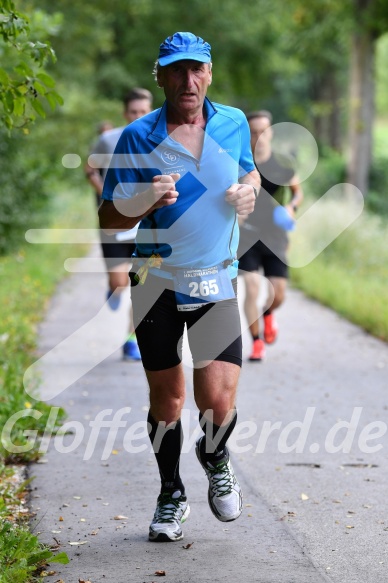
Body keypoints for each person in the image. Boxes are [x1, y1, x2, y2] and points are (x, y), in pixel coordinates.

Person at [99, 32, 260, 542]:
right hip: (155, 282)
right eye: (176, 70)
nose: (187, 81)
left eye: (197, 70)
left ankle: (214, 456)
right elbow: (107, 218)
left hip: (215, 277)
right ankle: (171, 494)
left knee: (217, 401)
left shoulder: (232, 124)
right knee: (167, 401)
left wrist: (249, 194)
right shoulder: (136, 137)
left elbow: (250, 174)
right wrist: (144, 198)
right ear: (160, 75)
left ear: (209, 73)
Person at [85, 88, 153, 361]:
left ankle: (131, 339)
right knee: (119, 283)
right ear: (125, 113)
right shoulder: (108, 139)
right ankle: (113, 288)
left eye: (143, 112)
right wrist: (105, 192)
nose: (138, 116)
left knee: (143, 286)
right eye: (134, 112)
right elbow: (89, 169)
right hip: (114, 224)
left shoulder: (161, 141)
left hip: (147, 225)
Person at [238, 110, 303, 361]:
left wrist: (292, 207)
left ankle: (267, 314)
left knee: (278, 294)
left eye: (263, 131)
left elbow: (297, 192)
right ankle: (256, 342)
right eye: (254, 132)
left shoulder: (283, 165)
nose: (259, 137)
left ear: (271, 132)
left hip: (275, 236)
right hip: (247, 236)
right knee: (252, 288)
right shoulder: (240, 164)